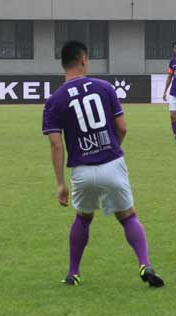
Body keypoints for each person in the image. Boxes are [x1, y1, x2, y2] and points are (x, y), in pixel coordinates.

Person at [43, 40, 164, 288]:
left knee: (83, 218)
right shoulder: (105, 88)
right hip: (112, 163)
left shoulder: (54, 100)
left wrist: (60, 184)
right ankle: (145, 264)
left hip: (82, 170)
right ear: (84, 60)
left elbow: (56, 145)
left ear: (63, 63)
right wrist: (112, 148)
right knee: (128, 216)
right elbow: (123, 128)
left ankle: (73, 273)